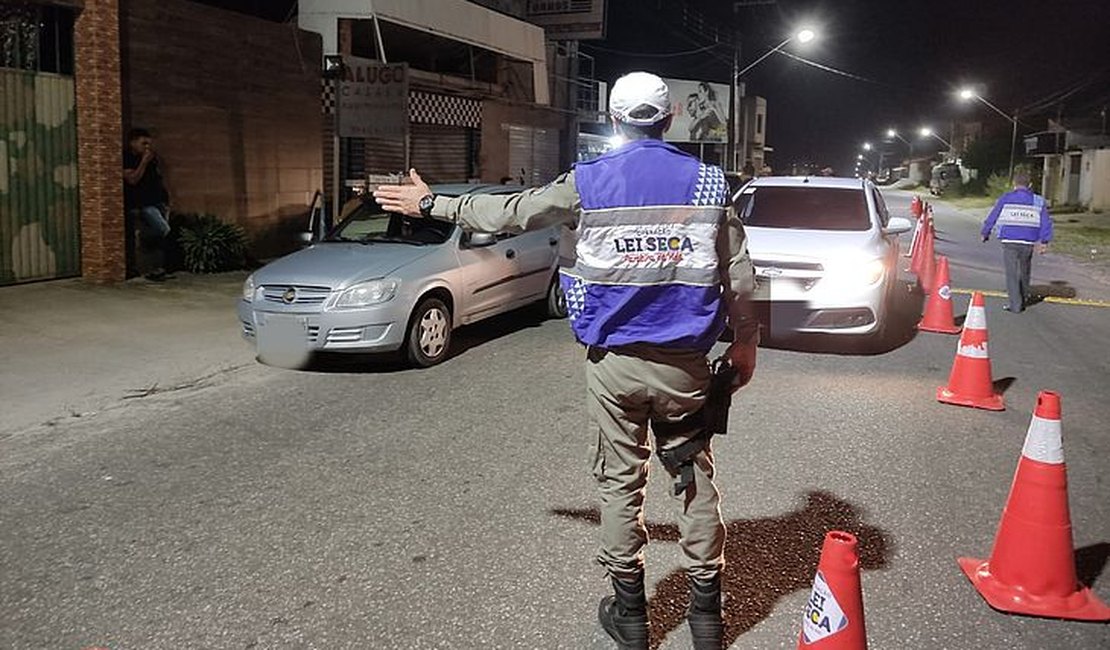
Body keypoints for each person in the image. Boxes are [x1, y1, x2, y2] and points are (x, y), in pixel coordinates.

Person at [374, 71, 759, 650]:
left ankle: (632, 621)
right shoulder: (708, 183)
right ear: (672, 115)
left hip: (614, 365)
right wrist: (747, 343)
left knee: (618, 485)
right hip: (687, 365)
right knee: (693, 479)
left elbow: (509, 213)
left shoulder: (589, 182)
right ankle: (707, 623)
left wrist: (431, 201)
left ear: (612, 117)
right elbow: (740, 280)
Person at [980, 169, 1053, 312]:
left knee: (1012, 273)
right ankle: (1024, 296)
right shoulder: (1038, 201)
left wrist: (985, 232)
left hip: (1009, 240)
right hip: (1028, 241)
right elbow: (1046, 222)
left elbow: (993, 216)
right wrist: (1044, 241)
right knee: (1025, 270)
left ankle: (1015, 305)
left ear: (1014, 184)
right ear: (1030, 184)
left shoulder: (1005, 198)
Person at [123, 128, 172, 280]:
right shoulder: (127, 158)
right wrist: (143, 162)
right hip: (143, 204)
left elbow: (158, 180)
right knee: (163, 230)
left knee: (160, 238)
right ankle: (145, 240)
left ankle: (155, 269)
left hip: (158, 202)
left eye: (149, 144)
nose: (147, 148)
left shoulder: (153, 159)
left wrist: (167, 200)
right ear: (132, 143)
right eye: (143, 143)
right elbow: (132, 179)